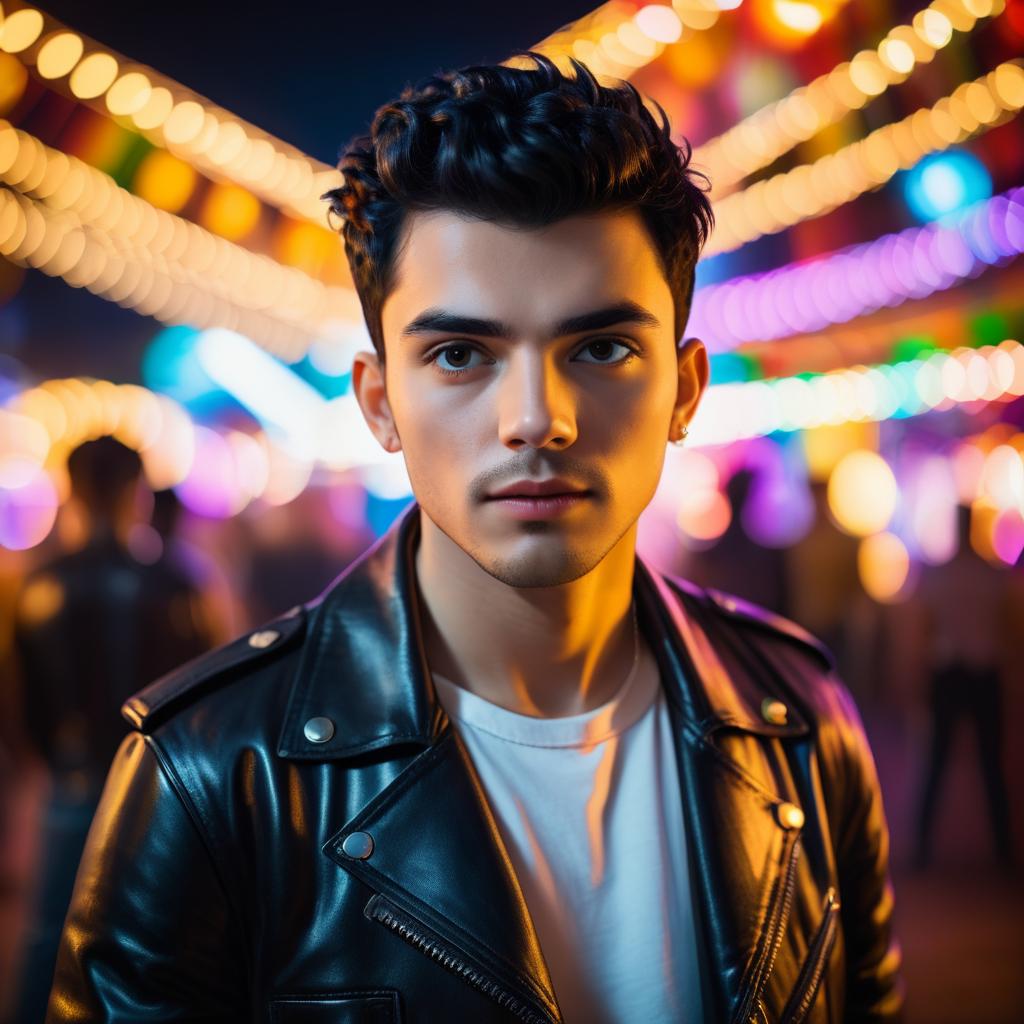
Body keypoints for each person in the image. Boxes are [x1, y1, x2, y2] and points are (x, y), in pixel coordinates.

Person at [47, 57, 903, 1022]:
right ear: (380, 401)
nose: (537, 419)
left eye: (601, 348)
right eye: (461, 354)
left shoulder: (800, 717)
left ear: (685, 388)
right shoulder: (212, 773)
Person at [12, 439, 215, 1023]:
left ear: (70, 493)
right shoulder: (174, 582)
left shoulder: (40, 584)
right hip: (161, 783)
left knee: (49, 932)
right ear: (137, 494)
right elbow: (202, 687)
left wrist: (50, 762)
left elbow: (24, 700)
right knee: (159, 932)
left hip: (71, 778)